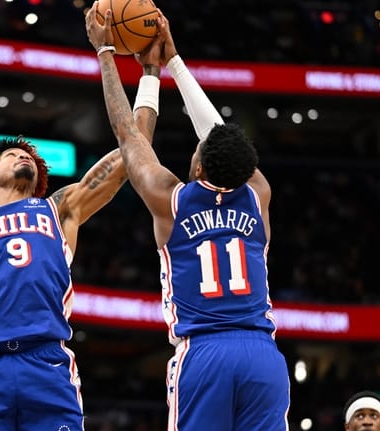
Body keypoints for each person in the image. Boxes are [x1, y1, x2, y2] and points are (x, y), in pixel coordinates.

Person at [0, 65, 160, 427]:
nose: (22, 155)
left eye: (27, 154)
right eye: (11, 154)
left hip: (47, 362)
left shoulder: (60, 209)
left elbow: (135, 150)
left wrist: (150, 74)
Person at [86, 4, 291, 430]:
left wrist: (108, 52)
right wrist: (173, 63)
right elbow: (221, 138)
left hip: (205, 352)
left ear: (198, 168)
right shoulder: (258, 195)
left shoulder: (172, 200)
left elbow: (129, 137)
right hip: (262, 354)